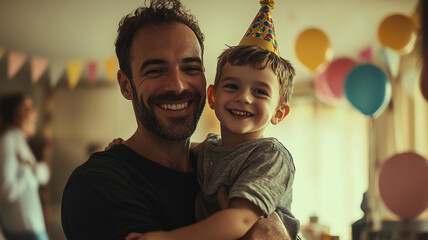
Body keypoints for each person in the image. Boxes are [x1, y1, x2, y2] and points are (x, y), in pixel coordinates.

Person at [61, 0, 290, 239]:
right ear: (125, 85)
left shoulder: (216, 163)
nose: (178, 85)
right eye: (156, 70)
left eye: (191, 68)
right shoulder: (97, 185)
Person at [125, 42, 299, 240]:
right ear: (213, 96)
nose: (243, 97)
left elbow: (242, 220)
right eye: (232, 86)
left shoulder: (270, 156)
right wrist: (130, 147)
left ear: (279, 113)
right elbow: (172, 151)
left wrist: (167, 238)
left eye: (260, 91)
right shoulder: (209, 148)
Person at [0, 93, 50, 240]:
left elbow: (43, 175)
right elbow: (5, 191)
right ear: (13, 113)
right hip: (24, 229)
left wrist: (32, 169)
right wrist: (28, 171)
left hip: (29, 227)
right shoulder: (8, 141)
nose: (35, 113)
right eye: (26, 108)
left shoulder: (18, 141)